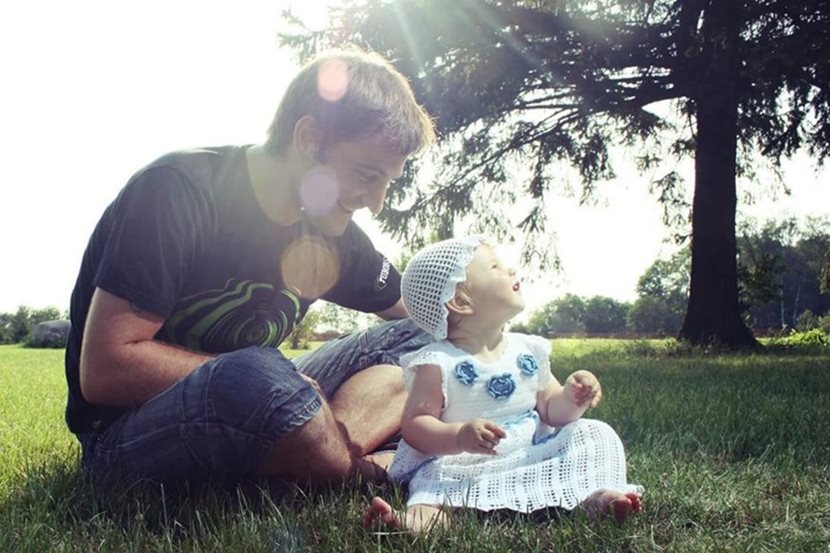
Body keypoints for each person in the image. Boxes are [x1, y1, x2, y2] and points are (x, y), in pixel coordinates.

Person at [64, 48, 437, 489]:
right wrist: (276, 384)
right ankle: (346, 465)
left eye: (386, 182)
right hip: (126, 435)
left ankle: (319, 453)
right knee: (256, 374)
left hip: (276, 399)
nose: (376, 203)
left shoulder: (333, 230)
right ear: (308, 138)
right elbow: (106, 369)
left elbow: (415, 321)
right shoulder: (177, 191)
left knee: (430, 334)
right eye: (366, 173)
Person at [363, 236, 643, 532]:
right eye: (496, 266)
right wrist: (458, 435)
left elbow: (551, 409)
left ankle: (600, 498)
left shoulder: (527, 349)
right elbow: (416, 425)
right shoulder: (438, 362)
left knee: (596, 433)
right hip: (461, 467)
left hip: (528, 454)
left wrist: (574, 398)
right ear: (460, 301)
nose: (510, 270)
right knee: (432, 498)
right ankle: (411, 523)